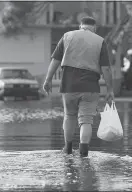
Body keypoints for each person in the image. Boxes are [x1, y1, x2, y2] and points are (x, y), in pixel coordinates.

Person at [43, 17, 114, 157]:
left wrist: (48, 79)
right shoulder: (99, 41)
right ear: (94, 28)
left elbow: (55, 60)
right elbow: (106, 69)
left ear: (81, 26)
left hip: (69, 85)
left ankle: (68, 149)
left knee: (69, 116)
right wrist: (110, 89)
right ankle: (83, 152)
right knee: (86, 120)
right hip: (90, 86)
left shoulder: (67, 36)